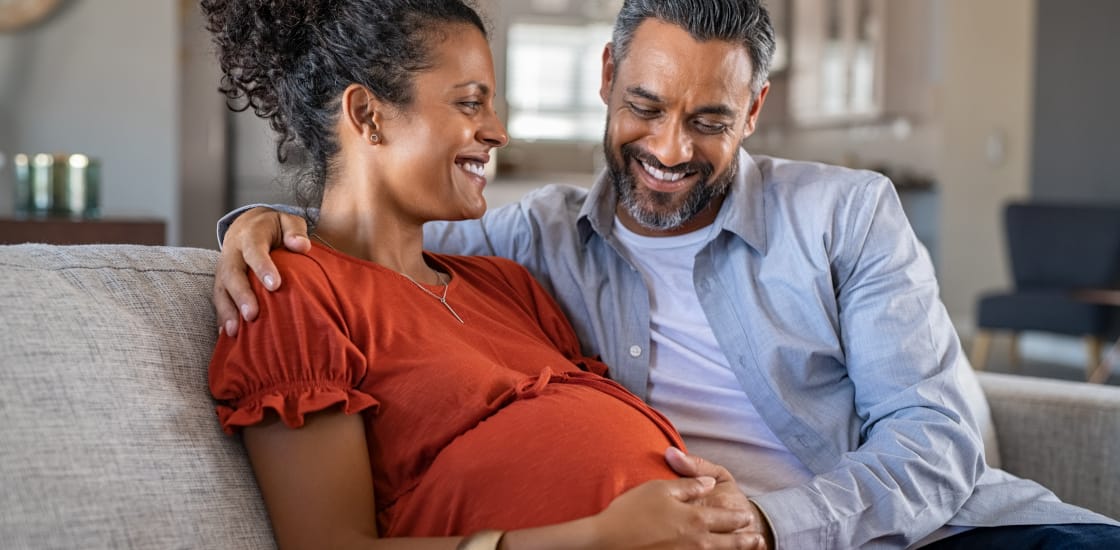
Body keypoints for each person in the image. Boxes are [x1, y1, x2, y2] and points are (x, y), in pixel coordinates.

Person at [214, 0, 1120, 548]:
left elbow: (934, 441)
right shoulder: (536, 241)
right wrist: (264, 225)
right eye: (644, 107)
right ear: (608, 77)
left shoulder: (847, 213)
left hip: (933, 534)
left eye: (711, 119)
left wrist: (771, 528)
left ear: (756, 108)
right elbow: (364, 259)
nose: (670, 150)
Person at [202, 0, 767, 548]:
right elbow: (328, 545)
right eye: (471, 104)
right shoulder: (292, 294)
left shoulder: (505, 283)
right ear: (368, 116)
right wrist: (596, 537)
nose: (498, 131)